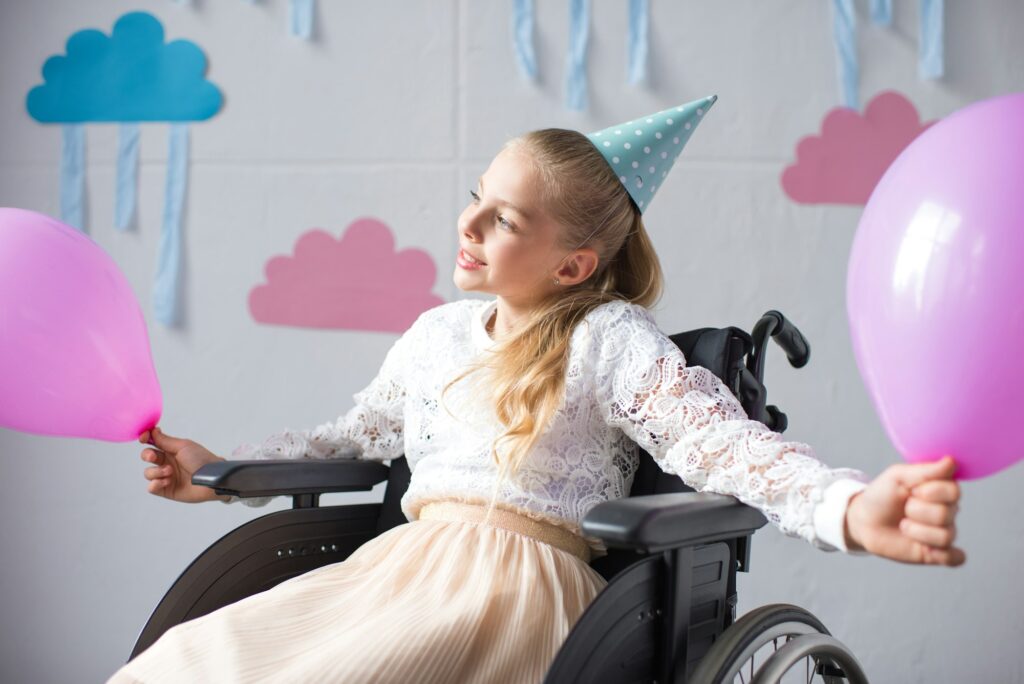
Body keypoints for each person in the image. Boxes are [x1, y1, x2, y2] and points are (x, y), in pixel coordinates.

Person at [108, 96, 963, 684]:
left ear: (574, 265)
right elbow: (351, 439)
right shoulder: (436, 335)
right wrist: (219, 472)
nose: (469, 225)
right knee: (195, 662)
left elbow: (723, 445)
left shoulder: (608, 339)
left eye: (505, 219)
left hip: (515, 594)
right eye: (476, 198)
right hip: (399, 573)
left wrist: (847, 508)